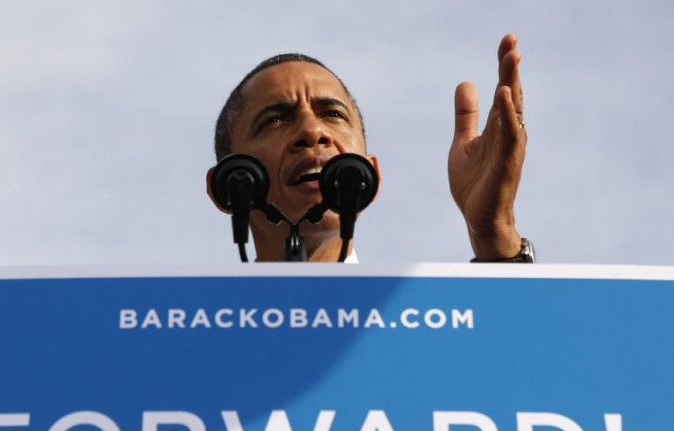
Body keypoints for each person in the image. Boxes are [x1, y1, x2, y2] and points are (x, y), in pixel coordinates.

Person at [207, 34, 531, 263]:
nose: (311, 131)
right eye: (276, 120)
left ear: (370, 175)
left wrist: (494, 234)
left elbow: (523, 358)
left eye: (332, 114)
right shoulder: (174, 334)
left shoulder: (421, 323)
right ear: (225, 185)